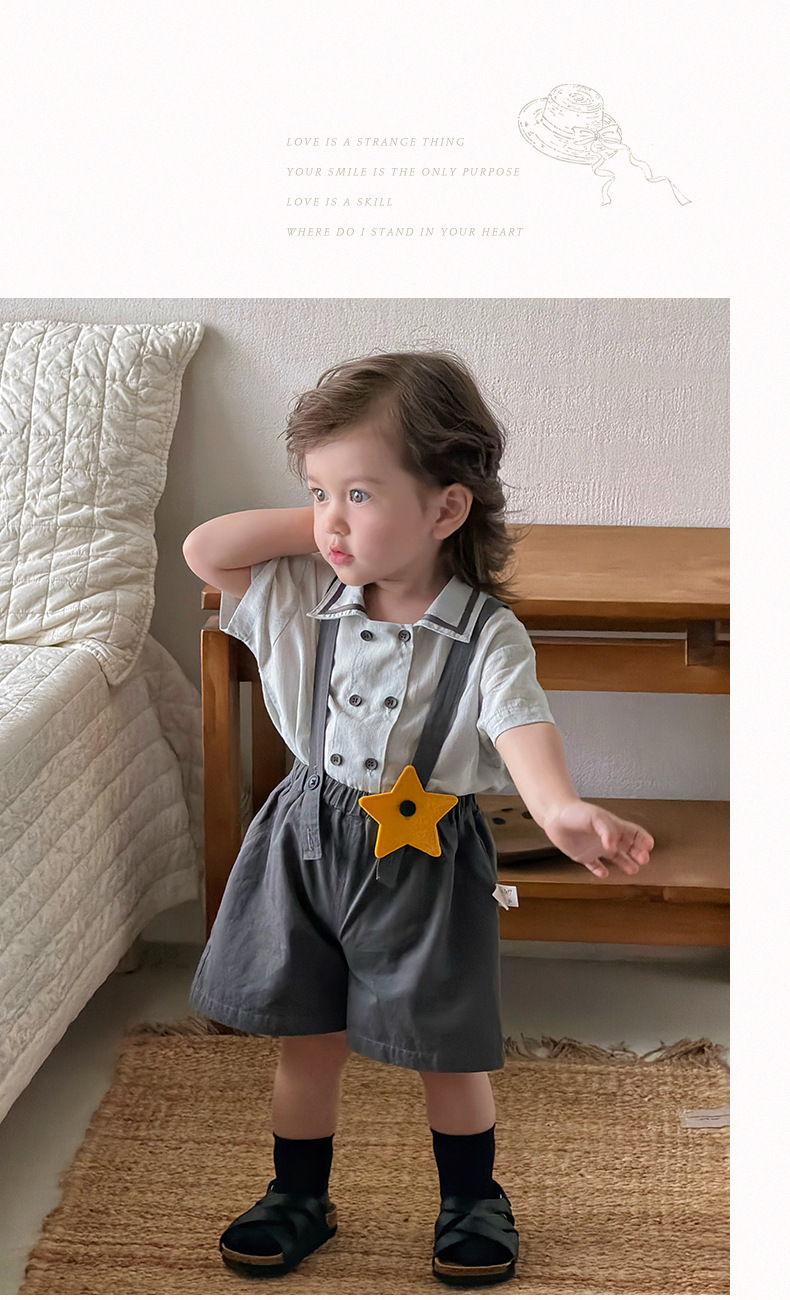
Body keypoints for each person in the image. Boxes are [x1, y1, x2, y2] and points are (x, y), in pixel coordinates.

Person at [183, 350, 654, 1285]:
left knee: (449, 1050)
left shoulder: (486, 633)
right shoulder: (300, 594)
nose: (328, 519)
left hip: (428, 854)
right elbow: (207, 549)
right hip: (304, 842)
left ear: (446, 509)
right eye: (316, 492)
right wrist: (339, 518)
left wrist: (558, 806)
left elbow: (520, 720)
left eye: (360, 493)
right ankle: (297, 1195)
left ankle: (473, 1200)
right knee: (308, 1040)